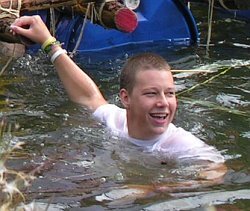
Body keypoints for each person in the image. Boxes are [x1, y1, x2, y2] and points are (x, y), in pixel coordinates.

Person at [10, 15, 227, 184]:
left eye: (169, 93)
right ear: (126, 98)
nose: (164, 102)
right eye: (151, 93)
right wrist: (49, 43)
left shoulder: (179, 144)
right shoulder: (116, 121)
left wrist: (152, 189)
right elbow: (89, 96)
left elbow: (217, 171)